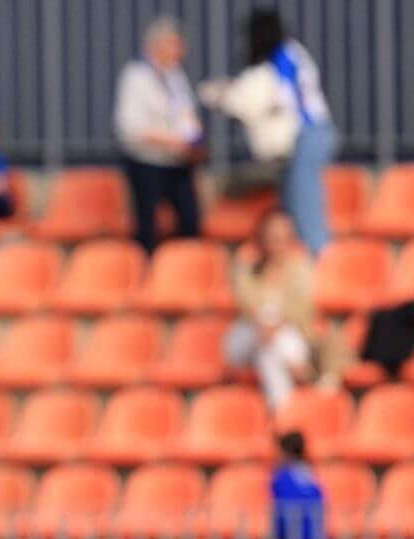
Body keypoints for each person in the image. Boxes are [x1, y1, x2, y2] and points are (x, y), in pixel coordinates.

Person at [200, 8, 337, 252]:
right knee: (291, 207)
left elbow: (266, 100)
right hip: (306, 136)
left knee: (305, 207)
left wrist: (225, 95)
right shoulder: (288, 55)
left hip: (308, 134)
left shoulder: (283, 57)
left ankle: (320, 259)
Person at [115, 17, 204, 254]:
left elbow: (185, 113)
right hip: (147, 162)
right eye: (174, 45)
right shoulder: (136, 76)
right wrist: (173, 140)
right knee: (147, 226)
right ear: (156, 46)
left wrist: (195, 139)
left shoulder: (176, 76)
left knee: (190, 221)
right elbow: (130, 128)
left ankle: (186, 265)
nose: (180, 52)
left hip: (178, 161)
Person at [226, 210, 317, 416]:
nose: (276, 245)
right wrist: (265, 325)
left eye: (281, 238)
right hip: (250, 335)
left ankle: (281, 415)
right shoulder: (247, 270)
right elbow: (247, 305)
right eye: (271, 238)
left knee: (268, 354)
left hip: (276, 340)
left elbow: (301, 307)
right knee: (270, 338)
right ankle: (298, 365)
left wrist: (275, 326)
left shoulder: (301, 269)